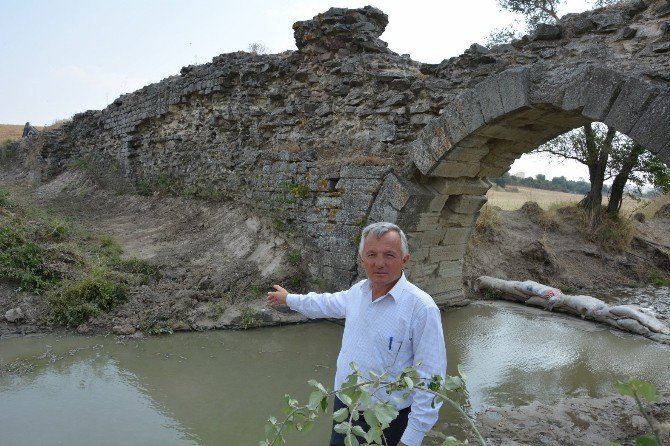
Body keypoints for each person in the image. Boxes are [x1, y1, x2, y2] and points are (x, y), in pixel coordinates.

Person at [267, 222, 447, 446]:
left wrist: (411, 438)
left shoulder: (422, 308)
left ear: (404, 260)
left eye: (389, 255)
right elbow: (325, 303)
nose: (379, 263)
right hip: (346, 411)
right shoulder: (358, 292)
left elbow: (431, 378)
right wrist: (289, 299)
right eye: (371, 254)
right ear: (362, 259)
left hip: (388, 421)